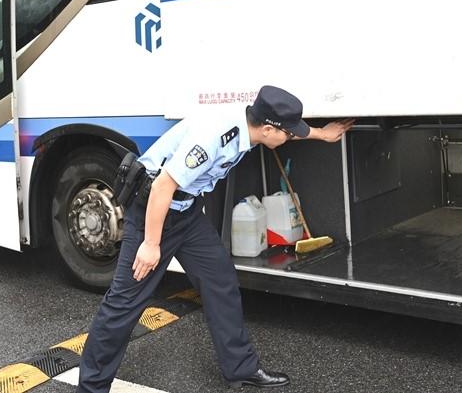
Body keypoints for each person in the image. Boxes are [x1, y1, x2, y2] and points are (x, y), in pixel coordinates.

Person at [76, 85, 354, 392]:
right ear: (267, 129)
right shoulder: (212, 138)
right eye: (287, 134)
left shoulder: (251, 125)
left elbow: (284, 130)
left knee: (220, 281)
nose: (289, 138)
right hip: (153, 213)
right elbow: (162, 187)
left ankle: (240, 369)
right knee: (124, 304)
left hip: (186, 214)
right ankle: (91, 387)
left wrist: (321, 134)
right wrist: (151, 244)